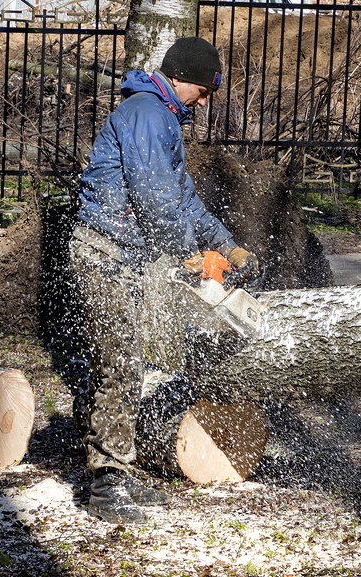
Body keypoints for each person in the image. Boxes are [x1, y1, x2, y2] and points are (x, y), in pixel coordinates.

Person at [66, 35, 259, 523]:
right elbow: (154, 199)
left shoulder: (162, 118)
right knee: (120, 360)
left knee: (121, 358)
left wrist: (225, 242)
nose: (206, 99)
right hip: (103, 251)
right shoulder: (149, 116)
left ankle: (119, 472)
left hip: (122, 255)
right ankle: (107, 483)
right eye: (205, 89)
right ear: (182, 78)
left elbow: (184, 199)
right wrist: (190, 256)